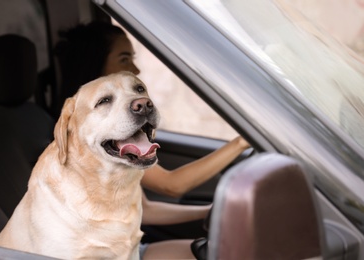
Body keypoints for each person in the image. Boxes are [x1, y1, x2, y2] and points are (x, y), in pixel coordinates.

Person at [54, 21, 250, 259]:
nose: (135, 70)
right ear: (95, 63)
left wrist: (210, 211)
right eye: (124, 58)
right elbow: (171, 184)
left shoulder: (117, 138)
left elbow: (145, 210)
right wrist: (241, 142)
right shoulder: (82, 142)